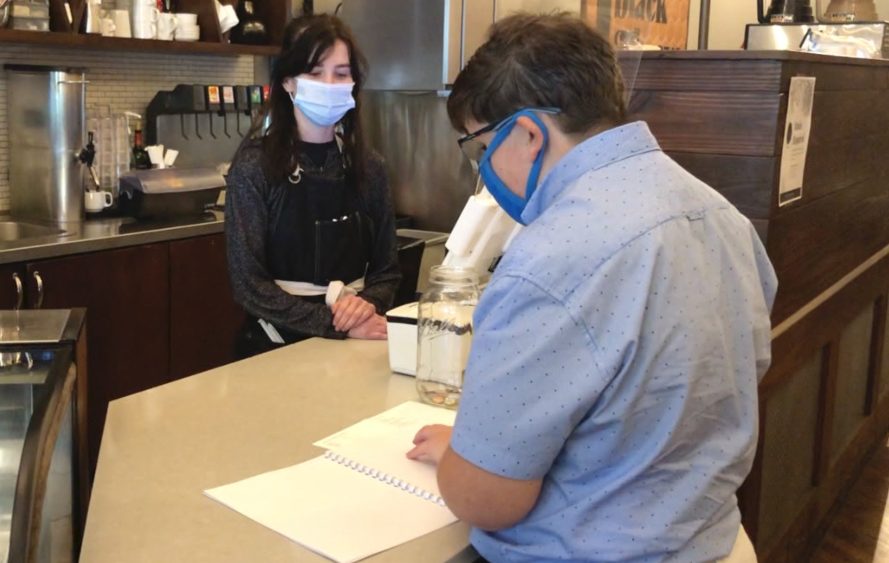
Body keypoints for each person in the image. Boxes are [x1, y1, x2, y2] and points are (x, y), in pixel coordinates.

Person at [406, 13, 777, 563]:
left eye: (482, 151)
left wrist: (465, 462)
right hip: (714, 540)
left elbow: (488, 500)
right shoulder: (720, 214)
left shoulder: (547, 260)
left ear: (529, 134)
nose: (483, 172)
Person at [226, 14, 401, 360]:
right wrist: (333, 323)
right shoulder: (253, 167)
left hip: (355, 347)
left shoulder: (370, 167)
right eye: (316, 73)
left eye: (341, 73)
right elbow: (248, 284)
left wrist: (366, 305)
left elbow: (387, 271)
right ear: (289, 81)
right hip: (273, 347)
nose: (330, 83)